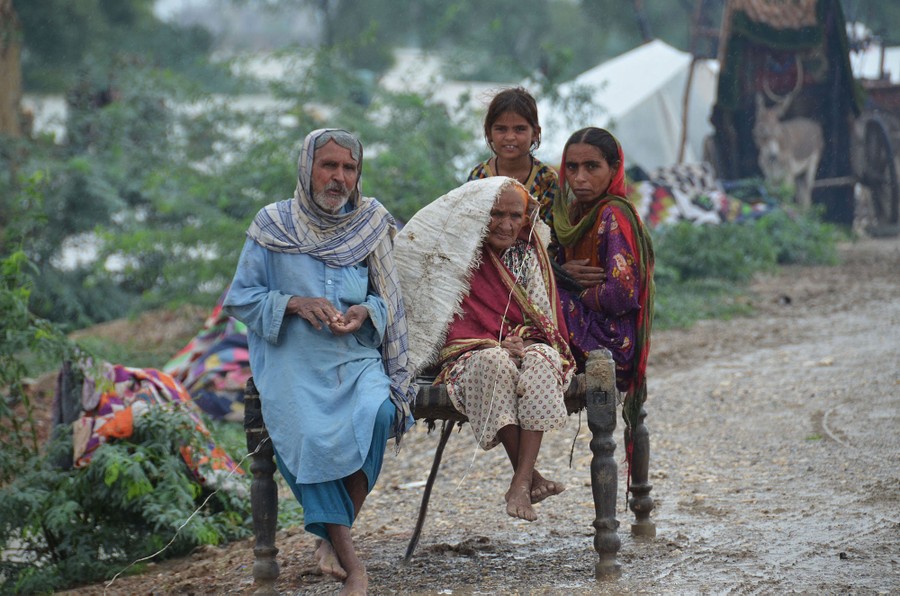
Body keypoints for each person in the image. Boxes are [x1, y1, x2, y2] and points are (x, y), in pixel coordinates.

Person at [223, 128, 416, 596]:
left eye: (349, 168)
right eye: (329, 165)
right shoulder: (272, 225)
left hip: (352, 354)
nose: (339, 177)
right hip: (292, 358)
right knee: (307, 432)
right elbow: (241, 298)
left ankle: (330, 534)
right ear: (307, 167)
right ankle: (355, 566)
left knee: (380, 411)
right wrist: (293, 303)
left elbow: (388, 299)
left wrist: (364, 312)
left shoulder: (370, 223)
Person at [395, 176, 574, 522]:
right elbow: (439, 319)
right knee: (493, 361)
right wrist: (494, 344)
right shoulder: (454, 254)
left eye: (515, 216)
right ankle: (528, 477)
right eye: (496, 214)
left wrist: (525, 340)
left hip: (523, 344)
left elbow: (542, 315)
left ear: (525, 218)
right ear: (478, 213)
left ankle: (519, 481)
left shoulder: (528, 251)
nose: (506, 224)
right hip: (470, 354)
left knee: (543, 360)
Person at [550, 127, 655, 457]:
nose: (579, 178)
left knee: (546, 299)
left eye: (591, 167)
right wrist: (561, 275)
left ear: (614, 168)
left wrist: (574, 292)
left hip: (612, 342)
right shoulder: (573, 216)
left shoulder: (613, 214)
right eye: (571, 167)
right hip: (588, 328)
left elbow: (621, 295)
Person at [467, 87, 560, 228]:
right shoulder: (479, 176)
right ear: (489, 132)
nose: (510, 137)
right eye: (501, 129)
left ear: (535, 133)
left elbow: (550, 237)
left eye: (520, 129)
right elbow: (469, 229)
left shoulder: (546, 179)